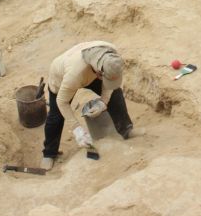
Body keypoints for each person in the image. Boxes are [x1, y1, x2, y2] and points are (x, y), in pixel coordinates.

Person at [41, 40, 137, 170]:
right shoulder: (75, 74)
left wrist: (103, 103)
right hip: (62, 75)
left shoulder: (112, 57)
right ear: (99, 73)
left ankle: (126, 129)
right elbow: (61, 101)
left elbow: (111, 83)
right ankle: (49, 153)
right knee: (56, 116)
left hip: (90, 72)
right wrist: (77, 130)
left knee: (116, 93)